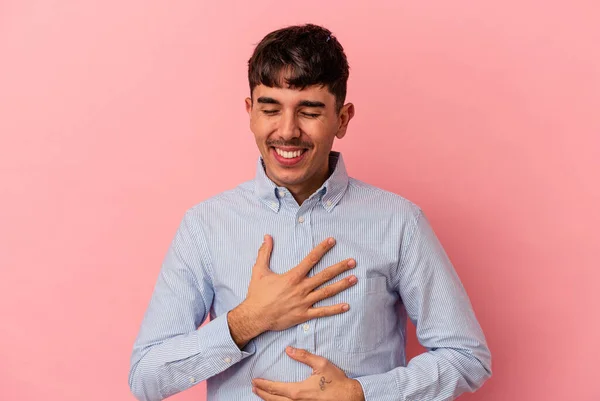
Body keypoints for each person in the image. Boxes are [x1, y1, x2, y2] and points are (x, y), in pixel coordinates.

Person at [128, 23, 492, 401]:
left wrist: (361, 394)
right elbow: (146, 376)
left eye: (309, 111)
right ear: (251, 112)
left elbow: (467, 358)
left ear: (343, 119)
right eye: (270, 109)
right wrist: (247, 320)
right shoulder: (205, 225)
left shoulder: (399, 222)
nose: (287, 131)